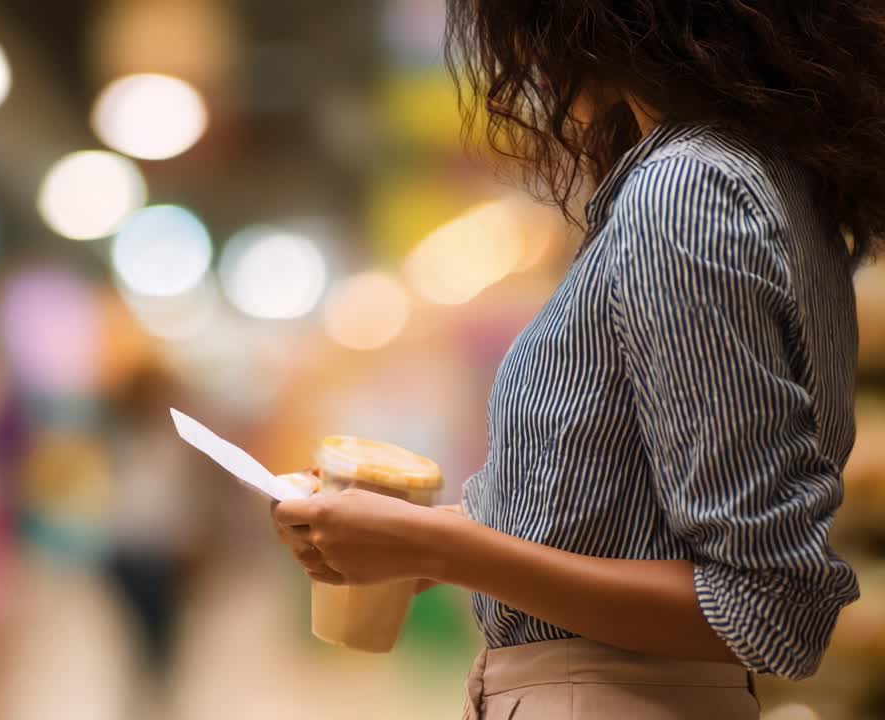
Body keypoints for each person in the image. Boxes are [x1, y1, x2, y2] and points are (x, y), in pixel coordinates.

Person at [272, 2, 884, 717]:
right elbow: (640, 533)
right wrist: (414, 544)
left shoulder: (687, 192)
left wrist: (440, 548)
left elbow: (765, 609)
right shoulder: (759, 183)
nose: (529, 63)